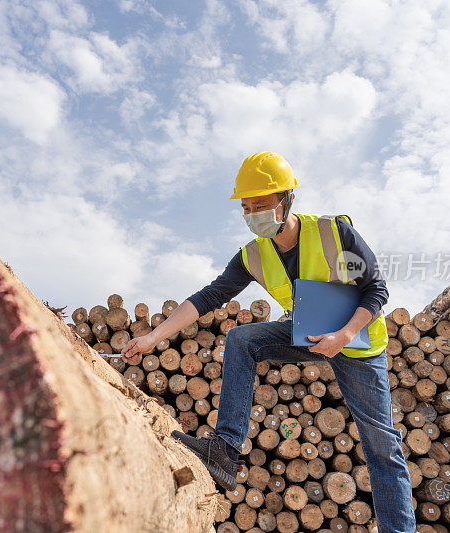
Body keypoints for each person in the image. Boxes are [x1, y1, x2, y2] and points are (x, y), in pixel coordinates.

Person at [122, 152, 416, 533]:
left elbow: (376, 289)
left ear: (287, 199)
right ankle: (225, 451)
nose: (252, 215)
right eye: (246, 208)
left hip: (358, 344)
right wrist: (152, 337)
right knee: (242, 339)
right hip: (307, 335)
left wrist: (343, 335)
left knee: (381, 446)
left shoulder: (333, 232)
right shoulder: (252, 255)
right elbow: (207, 297)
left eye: (260, 205)